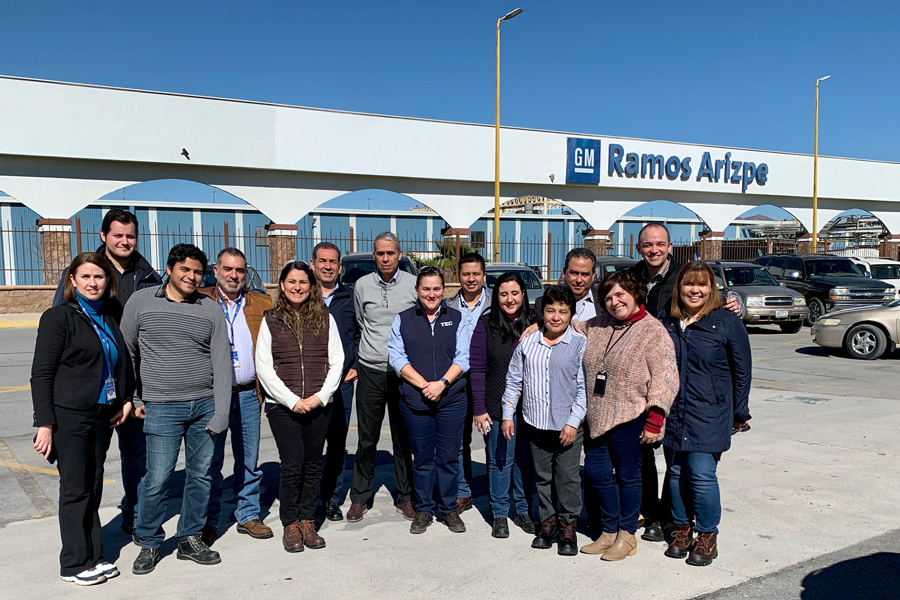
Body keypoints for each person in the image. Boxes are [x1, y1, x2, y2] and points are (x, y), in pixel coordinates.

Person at [121, 243, 232, 575]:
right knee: (157, 478)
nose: (192, 276)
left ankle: (189, 537)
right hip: (160, 406)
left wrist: (222, 411)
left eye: (198, 271)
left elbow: (221, 362)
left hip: (205, 405)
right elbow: (126, 353)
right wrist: (135, 399)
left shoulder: (209, 308)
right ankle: (149, 542)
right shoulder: (141, 302)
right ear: (169, 269)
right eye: (185, 269)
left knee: (200, 476)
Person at [629, 223, 743, 543]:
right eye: (648, 244)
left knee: (684, 463)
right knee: (646, 451)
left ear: (670, 246)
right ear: (639, 248)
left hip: (677, 383)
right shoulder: (632, 277)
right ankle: (651, 509)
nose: (654, 249)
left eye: (660, 244)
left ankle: (672, 519)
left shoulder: (683, 276)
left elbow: (711, 299)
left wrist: (735, 301)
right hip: (641, 378)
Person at [52, 208, 161, 536]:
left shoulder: (147, 274)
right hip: (91, 388)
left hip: (133, 387)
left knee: (137, 458)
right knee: (88, 469)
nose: (125, 241)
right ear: (103, 236)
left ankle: (135, 513)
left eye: (130, 236)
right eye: (118, 235)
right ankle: (85, 538)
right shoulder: (87, 270)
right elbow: (62, 322)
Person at [32, 252, 135, 585]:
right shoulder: (59, 317)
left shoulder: (108, 316)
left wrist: (125, 400)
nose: (93, 283)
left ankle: (94, 554)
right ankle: (74, 563)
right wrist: (45, 423)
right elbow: (42, 374)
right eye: (86, 277)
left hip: (102, 412)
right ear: (72, 281)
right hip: (70, 415)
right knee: (75, 489)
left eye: (100, 277)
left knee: (92, 485)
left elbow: (122, 363)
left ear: (109, 282)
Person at [576, 270, 679, 561]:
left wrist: (656, 418)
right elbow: (569, 326)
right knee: (596, 473)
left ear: (635, 294)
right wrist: (538, 325)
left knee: (628, 476)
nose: (614, 302)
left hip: (631, 416)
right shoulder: (598, 325)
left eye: (620, 294)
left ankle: (626, 534)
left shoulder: (653, 331)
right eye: (607, 297)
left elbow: (666, 377)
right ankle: (608, 531)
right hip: (597, 415)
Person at [660, 261, 752, 567]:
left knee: (700, 474)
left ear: (711, 289)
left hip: (710, 412)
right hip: (675, 412)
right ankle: (681, 529)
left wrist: (740, 411)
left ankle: (707, 534)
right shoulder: (669, 321)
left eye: (702, 284)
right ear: (679, 288)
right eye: (689, 284)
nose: (695, 290)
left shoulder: (725, 322)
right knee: (675, 474)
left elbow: (743, 370)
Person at [255, 261, 344, 552]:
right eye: (291, 282)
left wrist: (320, 397)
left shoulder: (325, 318)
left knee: (314, 464)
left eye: (303, 282)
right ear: (282, 285)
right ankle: (290, 523)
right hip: (283, 406)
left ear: (311, 286)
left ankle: (308, 520)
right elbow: (264, 367)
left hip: (319, 404)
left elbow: (337, 361)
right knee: (293, 465)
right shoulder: (270, 319)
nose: (297, 287)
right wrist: (292, 401)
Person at [501, 285, 587, 556]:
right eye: (551, 310)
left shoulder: (579, 344)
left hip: (567, 426)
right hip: (536, 422)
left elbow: (583, 388)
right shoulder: (528, 342)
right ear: (542, 312)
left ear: (571, 313)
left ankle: (568, 526)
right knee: (543, 477)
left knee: (568, 477)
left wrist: (573, 422)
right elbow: (514, 380)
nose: (556, 317)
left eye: (563, 311)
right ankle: (547, 523)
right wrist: (507, 415)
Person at [387, 267, 471, 534]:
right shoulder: (403, 320)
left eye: (436, 289)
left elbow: (463, 358)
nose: (431, 294)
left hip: (452, 400)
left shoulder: (457, 319)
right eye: (426, 289)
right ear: (417, 291)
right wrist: (424, 385)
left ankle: (448, 509)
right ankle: (423, 509)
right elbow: (397, 358)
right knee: (422, 459)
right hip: (415, 400)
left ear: (443, 290)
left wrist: (443, 383)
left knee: (447, 458)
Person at [199, 248, 273, 545]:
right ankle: (209, 519)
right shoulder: (201, 300)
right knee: (209, 461)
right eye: (228, 269)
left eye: (240, 270)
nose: (234, 275)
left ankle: (248, 514)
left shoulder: (262, 302)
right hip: (212, 397)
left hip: (248, 394)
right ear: (216, 271)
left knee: (249, 459)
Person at [347, 232, 416, 523]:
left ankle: (406, 497)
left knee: (403, 439)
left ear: (399, 255)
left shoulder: (413, 285)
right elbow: (360, 324)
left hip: (404, 374)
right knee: (366, 439)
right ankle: (360, 497)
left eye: (390, 253)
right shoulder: (362, 285)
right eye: (379, 254)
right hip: (371, 370)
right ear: (373, 256)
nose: (385, 258)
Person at [469, 271, 535, 538]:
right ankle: (499, 513)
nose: (510, 299)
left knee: (523, 460)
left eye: (515, 293)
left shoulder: (535, 322)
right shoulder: (486, 325)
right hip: (496, 406)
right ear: (496, 297)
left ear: (523, 294)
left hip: (529, 407)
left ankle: (522, 509)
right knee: (499, 460)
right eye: (504, 293)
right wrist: (479, 408)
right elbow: (476, 369)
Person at [310, 242, 360, 522]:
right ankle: (309, 497)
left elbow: (360, 334)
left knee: (337, 442)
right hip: (309, 383)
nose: (328, 266)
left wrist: (356, 366)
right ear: (313, 264)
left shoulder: (349, 297)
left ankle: (331, 498)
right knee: (310, 443)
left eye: (333, 262)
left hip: (342, 382)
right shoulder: (302, 294)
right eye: (322, 261)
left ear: (339, 267)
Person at [448, 252, 490, 514]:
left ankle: (500, 489)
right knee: (459, 440)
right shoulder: (448, 307)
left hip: (490, 380)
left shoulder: (496, 303)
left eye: (476, 274)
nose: (471, 279)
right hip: (459, 380)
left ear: (484, 276)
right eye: (466, 274)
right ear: (459, 277)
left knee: (493, 439)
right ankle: (463, 491)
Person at [535, 248, 601, 320]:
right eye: (574, 273)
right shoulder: (542, 303)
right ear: (564, 272)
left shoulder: (604, 303)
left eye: (585, 274)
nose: (579, 280)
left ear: (593, 276)